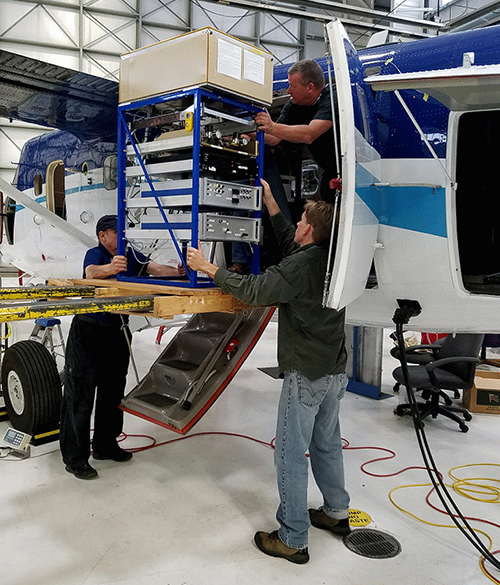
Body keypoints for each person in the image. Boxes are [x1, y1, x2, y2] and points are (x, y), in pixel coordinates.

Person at [186, 180, 349, 564]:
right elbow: (294, 249)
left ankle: (293, 538)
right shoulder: (332, 256)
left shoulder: (300, 265)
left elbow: (256, 291)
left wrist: (210, 268)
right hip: (333, 370)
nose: (297, 224)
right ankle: (337, 512)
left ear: (308, 227)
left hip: (306, 372)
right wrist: (272, 205)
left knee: (290, 454)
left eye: (300, 219)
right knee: (326, 442)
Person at [60, 214, 184, 480]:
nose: (122, 237)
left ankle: (105, 445)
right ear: (103, 236)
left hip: (117, 331)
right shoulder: (95, 254)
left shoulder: (130, 254)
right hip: (89, 331)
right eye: (117, 232)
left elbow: (155, 268)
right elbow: (90, 273)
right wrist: (110, 269)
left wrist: (178, 272)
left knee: (112, 391)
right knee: (80, 395)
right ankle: (75, 458)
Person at [255, 58, 338, 204]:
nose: (288, 91)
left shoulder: (332, 98)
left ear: (310, 87)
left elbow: (309, 134)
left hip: (348, 170)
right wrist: (244, 131)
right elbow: (274, 138)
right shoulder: (293, 105)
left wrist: (272, 126)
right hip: (330, 173)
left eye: (292, 86)